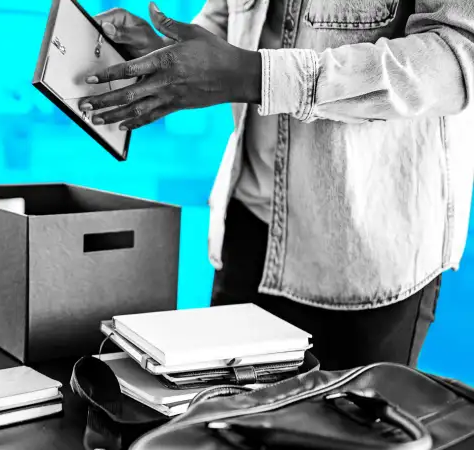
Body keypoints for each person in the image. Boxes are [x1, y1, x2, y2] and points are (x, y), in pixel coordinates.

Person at [81, 1, 474, 370]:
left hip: (365, 253)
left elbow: (456, 61)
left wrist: (254, 76)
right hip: (247, 227)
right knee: (223, 429)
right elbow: (232, 16)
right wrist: (167, 57)